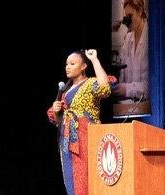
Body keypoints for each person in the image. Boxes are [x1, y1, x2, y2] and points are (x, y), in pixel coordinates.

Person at [47, 49, 117, 195]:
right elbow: (56, 119)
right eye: (67, 64)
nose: (68, 67)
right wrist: (56, 109)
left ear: (83, 66)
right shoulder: (65, 90)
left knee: (84, 180)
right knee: (70, 181)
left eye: (72, 63)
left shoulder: (90, 83)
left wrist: (94, 60)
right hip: (66, 140)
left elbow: (104, 88)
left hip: (85, 137)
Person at [115, 0, 149, 101]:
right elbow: (122, 74)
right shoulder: (128, 39)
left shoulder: (151, 38)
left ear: (139, 11)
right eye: (126, 17)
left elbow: (151, 85)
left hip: (146, 103)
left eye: (130, 16)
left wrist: (127, 89)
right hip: (128, 102)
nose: (128, 21)